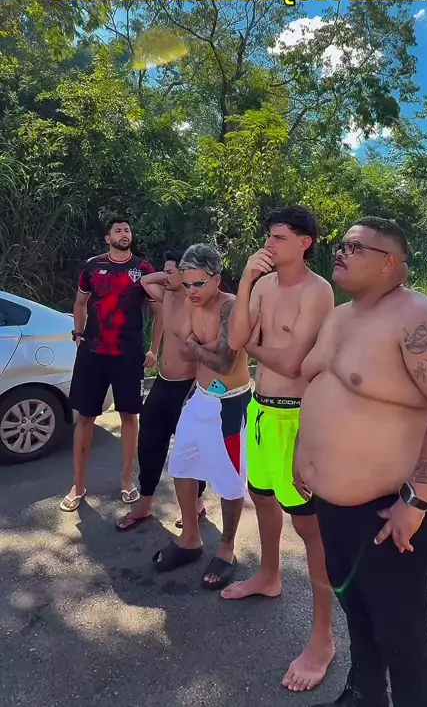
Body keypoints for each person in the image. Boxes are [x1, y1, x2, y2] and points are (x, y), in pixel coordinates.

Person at [296, 216, 427, 707]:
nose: (341, 252)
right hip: (333, 506)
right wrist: (304, 454)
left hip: (390, 510)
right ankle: (365, 694)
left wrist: (415, 502)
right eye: (342, 244)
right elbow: (323, 388)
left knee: (402, 631)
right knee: (356, 608)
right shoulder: (341, 315)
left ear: (389, 263)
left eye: (356, 247)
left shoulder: (419, 320)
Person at [224, 204, 336, 694]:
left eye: (280, 237)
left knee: (310, 529)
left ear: (305, 242)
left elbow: (294, 364)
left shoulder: (318, 291)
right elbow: (235, 340)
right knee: (262, 498)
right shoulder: (262, 285)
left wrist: (254, 347)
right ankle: (269, 576)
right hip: (260, 410)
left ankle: (323, 636)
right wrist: (247, 280)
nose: (269, 244)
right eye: (268, 236)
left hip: (296, 416)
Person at [153, 243, 251, 593]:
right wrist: (202, 348)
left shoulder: (231, 307)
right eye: (187, 283)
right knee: (182, 466)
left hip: (231, 405)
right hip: (199, 398)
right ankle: (190, 538)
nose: (191, 290)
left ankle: (226, 549)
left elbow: (225, 362)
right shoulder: (191, 305)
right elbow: (183, 349)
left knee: (229, 480)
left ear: (217, 279)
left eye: (199, 283)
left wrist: (197, 347)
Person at [60, 217, 162, 512]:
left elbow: (160, 311)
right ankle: (78, 485)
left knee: (130, 416)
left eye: (127, 229)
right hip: (93, 353)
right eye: (118, 230)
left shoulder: (143, 269)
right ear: (108, 238)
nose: (124, 233)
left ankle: (127, 481)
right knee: (85, 418)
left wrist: (154, 349)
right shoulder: (93, 266)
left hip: (129, 355)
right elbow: (80, 303)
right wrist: (78, 334)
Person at [115, 249, 207, 531]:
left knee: (191, 449)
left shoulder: (196, 303)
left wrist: (198, 388)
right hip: (163, 383)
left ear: (186, 274)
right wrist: (169, 273)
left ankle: (197, 504)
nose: (164, 276)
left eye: (170, 272)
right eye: (164, 272)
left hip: (187, 388)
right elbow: (145, 281)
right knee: (149, 443)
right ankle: (145, 503)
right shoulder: (167, 297)